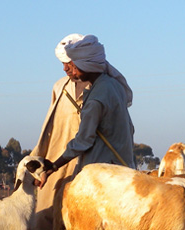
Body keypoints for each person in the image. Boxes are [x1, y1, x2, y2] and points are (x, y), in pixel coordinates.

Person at [34, 34, 135, 230]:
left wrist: (54, 166)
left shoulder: (96, 99)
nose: (66, 69)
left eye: (71, 65)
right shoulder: (114, 85)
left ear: (87, 64)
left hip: (101, 177)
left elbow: (83, 141)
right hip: (123, 171)